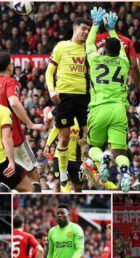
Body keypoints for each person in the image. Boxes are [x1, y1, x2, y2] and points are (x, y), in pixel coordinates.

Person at [86, 8, 131, 192]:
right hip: (119, 109)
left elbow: (89, 43)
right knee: (120, 152)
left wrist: (96, 25)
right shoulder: (124, 61)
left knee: (92, 148)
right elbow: (119, 47)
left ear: (104, 49)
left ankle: (103, 157)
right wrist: (112, 29)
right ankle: (125, 174)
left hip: (99, 108)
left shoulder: (96, 60)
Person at [45, 17, 92, 192]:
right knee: (64, 137)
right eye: (84, 28)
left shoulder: (89, 49)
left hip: (84, 97)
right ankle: (63, 175)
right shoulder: (61, 47)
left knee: (86, 138)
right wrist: (51, 91)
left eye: (89, 29)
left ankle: (90, 172)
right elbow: (49, 71)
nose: (86, 32)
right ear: (75, 28)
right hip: (64, 96)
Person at [0, 52, 45, 192]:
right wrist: (30, 124)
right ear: (9, 67)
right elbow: (14, 102)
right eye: (12, 63)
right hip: (15, 138)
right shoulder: (10, 81)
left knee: (8, 178)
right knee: (33, 177)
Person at [44, 112, 83, 192]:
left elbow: (88, 133)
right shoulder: (63, 116)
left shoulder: (82, 119)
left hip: (75, 158)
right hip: (59, 156)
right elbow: (54, 131)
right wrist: (47, 145)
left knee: (77, 186)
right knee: (57, 183)